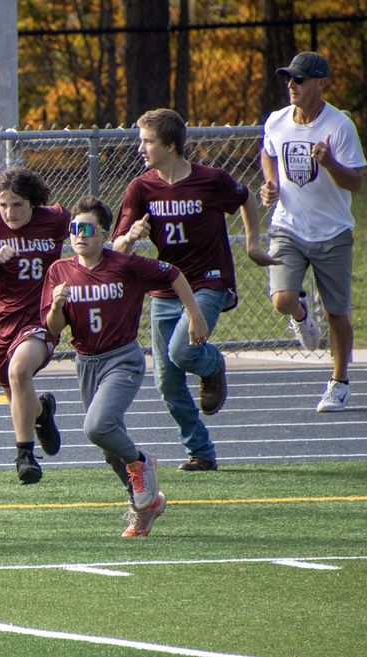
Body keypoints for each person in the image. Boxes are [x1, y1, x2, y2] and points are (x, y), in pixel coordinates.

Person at [112, 108, 275, 472]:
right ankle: (200, 451)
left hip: (208, 280)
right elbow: (116, 248)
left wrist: (251, 245)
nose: (141, 149)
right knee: (167, 382)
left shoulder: (211, 179)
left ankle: (213, 364)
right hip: (165, 287)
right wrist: (129, 237)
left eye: (147, 142)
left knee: (183, 351)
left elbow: (246, 198)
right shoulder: (141, 187)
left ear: (170, 145)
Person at [43, 196, 209, 536]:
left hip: (122, 359)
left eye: (89, 229)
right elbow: (54, 328)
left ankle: (143, 461)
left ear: (104, 235)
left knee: (97, 426)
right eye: (75, 228)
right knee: (108, 451)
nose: (80, 235)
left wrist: (195, 315)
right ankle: (144, 507)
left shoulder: (124, 264)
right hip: (86, 363)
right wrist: (57, 306)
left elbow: (173, 274)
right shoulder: (59, 271)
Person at [260, 52, 366, 412]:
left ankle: (339, 382)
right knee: (282, 300)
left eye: (300, 79)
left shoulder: (340, 127)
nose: (291, 85)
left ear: (321, 83)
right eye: (289, 78)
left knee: (337, 312)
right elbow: (268, 152)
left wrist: (330, 162)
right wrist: (271, 184)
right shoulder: (276, 121)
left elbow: (356, 182)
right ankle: (301, 316)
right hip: (288, 226)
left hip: (332, 232)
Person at [0, 167, 68, 485]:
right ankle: (42, 412)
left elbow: (91, 227)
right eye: (4, 205)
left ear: (33, 203)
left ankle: (24, 455)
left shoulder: (57, 218)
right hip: (0, 323)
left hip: (41, 319)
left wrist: (119, 240)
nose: (10, 212)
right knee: (19, 398)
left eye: (17, 204)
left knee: (19, 371)